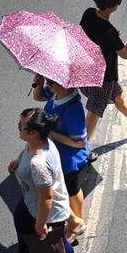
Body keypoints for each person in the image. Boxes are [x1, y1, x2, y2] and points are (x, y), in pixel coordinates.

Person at [5, 108, 77, 253]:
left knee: (57, 242)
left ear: (33, 132)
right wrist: (18, 161)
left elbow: (46, 198)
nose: (18, 129)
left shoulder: (39, 164)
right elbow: (26, 150)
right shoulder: (40, 140)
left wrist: (40, 223)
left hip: (46, 211)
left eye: (21, 126)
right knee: (21, 221)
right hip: (31, 199)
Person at [80, 0, 127, 160]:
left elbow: (91, 35)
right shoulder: (108, 31)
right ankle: (81, 151)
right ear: (114, 6)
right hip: (102, 79)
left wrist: (111, 37)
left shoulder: (89, 14)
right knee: (93, 114)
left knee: (118, 96)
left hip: (86, 70)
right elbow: (125, 53)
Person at [33, 74, 88, 242]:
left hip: (69, 160)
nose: (50, 83)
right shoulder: (55, 93)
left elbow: (80, 142)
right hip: (55, 155)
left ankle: (76, 223)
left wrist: (51, 134)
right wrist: (39, 83)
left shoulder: (73, 109)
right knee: (60, 190)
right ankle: (74, 221)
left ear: (67, 86)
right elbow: (39, 96)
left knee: (71, 189)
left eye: (53, 81)